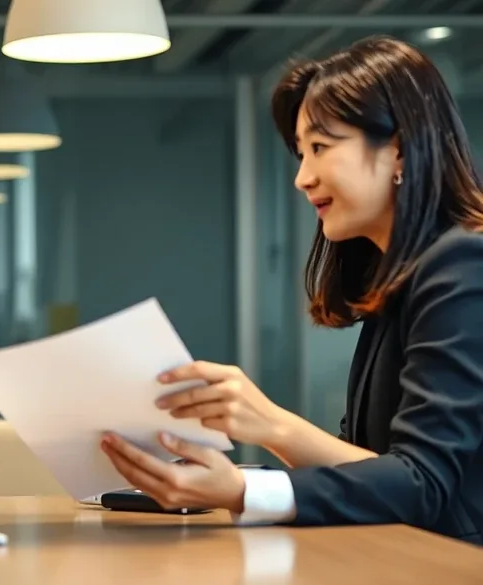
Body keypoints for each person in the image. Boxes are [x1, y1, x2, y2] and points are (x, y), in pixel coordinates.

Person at [100, 36, 483, 543]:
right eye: (301, 153)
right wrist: (251, 445)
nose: (302, 177)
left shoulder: (463, 263)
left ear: (399, 150)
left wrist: (260, 450)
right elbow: (372, 470)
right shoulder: (400, 277)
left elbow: (422, 484)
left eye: (320, 148)